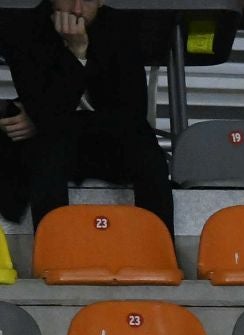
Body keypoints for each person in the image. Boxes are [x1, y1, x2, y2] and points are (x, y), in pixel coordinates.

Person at [0, 0, 173, 228]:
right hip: (52, 144)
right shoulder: (26, 29)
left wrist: (41, 117)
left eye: (88, 0)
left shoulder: (119, 28)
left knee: (148, 153)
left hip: (108, 141)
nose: (78, 8)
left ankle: (158, 252)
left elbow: (131, 113)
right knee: (49, 149)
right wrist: (77, 55)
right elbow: (42, 106)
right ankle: (53, 253)